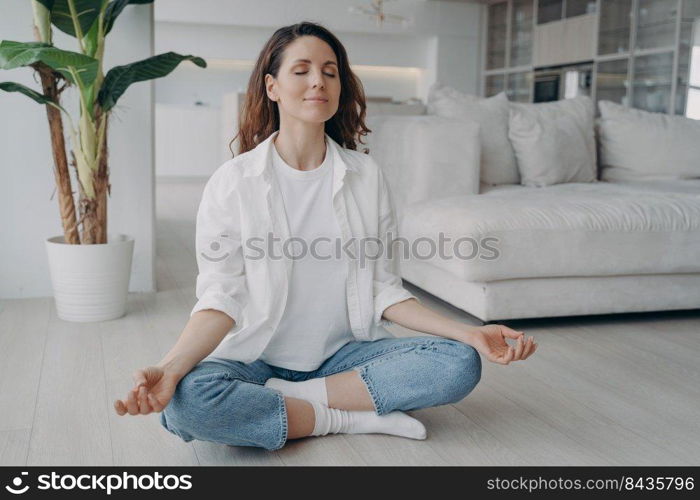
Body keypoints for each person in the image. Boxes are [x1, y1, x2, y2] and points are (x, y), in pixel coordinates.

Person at [114, 21, 537, 451]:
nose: (318, 80)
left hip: (344, 358)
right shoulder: (234, 181)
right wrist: (169, 368)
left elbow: (383, 291)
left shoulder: (366, 176)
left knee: (459, 362)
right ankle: (349, 417)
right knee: (186, 403)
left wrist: (467, 332)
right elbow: (221, 297)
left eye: (330, 71)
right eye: (301, 70)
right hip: (255, 360)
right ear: (272, 87)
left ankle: (294, 406)